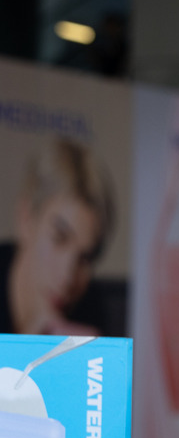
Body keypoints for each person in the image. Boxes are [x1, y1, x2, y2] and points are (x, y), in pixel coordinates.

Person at [0, 138, 116, 336]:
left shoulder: (90, 307)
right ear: (26, 219)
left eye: (86, 258)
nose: (67, 276)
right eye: (59, 238)